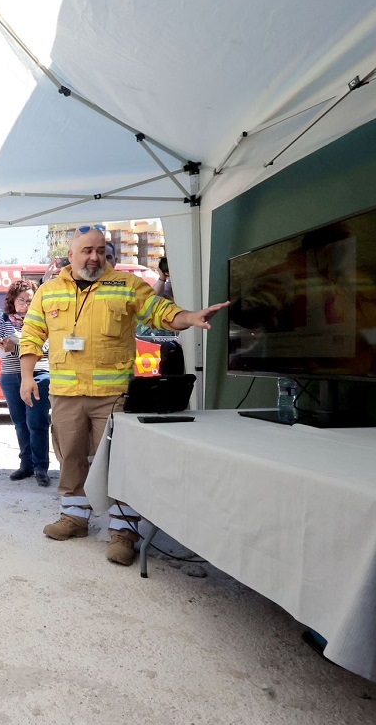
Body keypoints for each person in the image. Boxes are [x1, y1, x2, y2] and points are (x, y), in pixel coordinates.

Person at [18, 226, 227, 565]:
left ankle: (123, 531)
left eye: (100, 250)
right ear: (70, 256)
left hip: (112, 396)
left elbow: (158, 310)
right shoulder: (49, 291)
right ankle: (75, 517)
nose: (94, 256)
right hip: (66, 394)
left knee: (118, 464)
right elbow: (30, 335)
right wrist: (27, 377)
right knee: (70, 457)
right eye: (86, 250)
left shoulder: (126, 285)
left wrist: (188, 316)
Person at [0, 280, 51, 486]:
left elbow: (45, 349)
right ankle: (26, 465)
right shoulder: (4, 320)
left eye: (30, 300)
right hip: (10, 376)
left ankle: (41, 467)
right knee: (20, 423)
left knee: (37, 422)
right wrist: (0, 346)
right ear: (13, 301)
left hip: (38, 375)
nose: (26, 304)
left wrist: (14, 349)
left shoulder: (42, 320)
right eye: (22, 300)